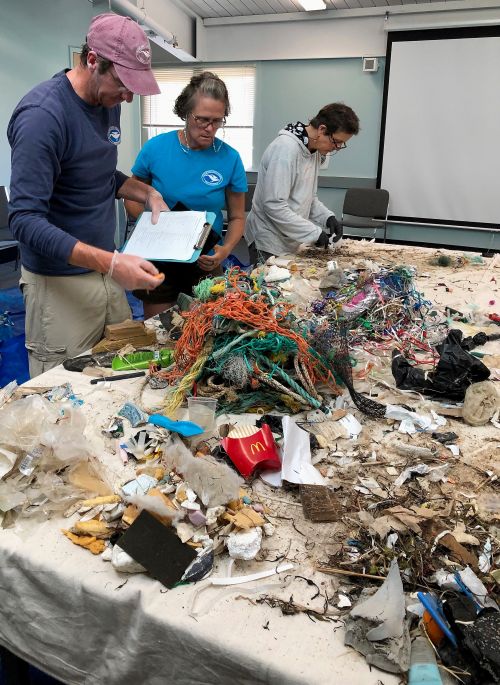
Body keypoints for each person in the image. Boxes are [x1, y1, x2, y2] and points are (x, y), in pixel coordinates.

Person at [8, 13, 168, 377]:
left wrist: (145, 192)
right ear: (93, 60)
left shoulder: (105, 101)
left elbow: (94, 174)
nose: (127, 98)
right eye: (124, 83)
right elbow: (25, 221)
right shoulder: (42, 117)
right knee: (61, 390)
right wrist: (111, 263)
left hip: (104, 272)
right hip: (59, 281)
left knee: (123, 369)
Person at [124, 71, 247, 319]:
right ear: (185, 113)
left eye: (217, 121)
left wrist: (224, 250)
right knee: (161, 332)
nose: (210, 128)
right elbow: (132, 196)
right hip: (159, 257)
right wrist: (151, 228)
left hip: (204, 258)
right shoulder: (156, 148)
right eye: (202, 119)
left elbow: (237, 217)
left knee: (205, 332)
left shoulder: (230, 158)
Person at [245, 103, 360, 264]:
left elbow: (308, 198)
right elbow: (274, 205)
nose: (337, 148)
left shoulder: (313, 150)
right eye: (336, 142)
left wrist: (327, 217)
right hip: (268, 240)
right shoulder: (285, 150)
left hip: (289, 240)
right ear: (321, 130)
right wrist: (313, 233)